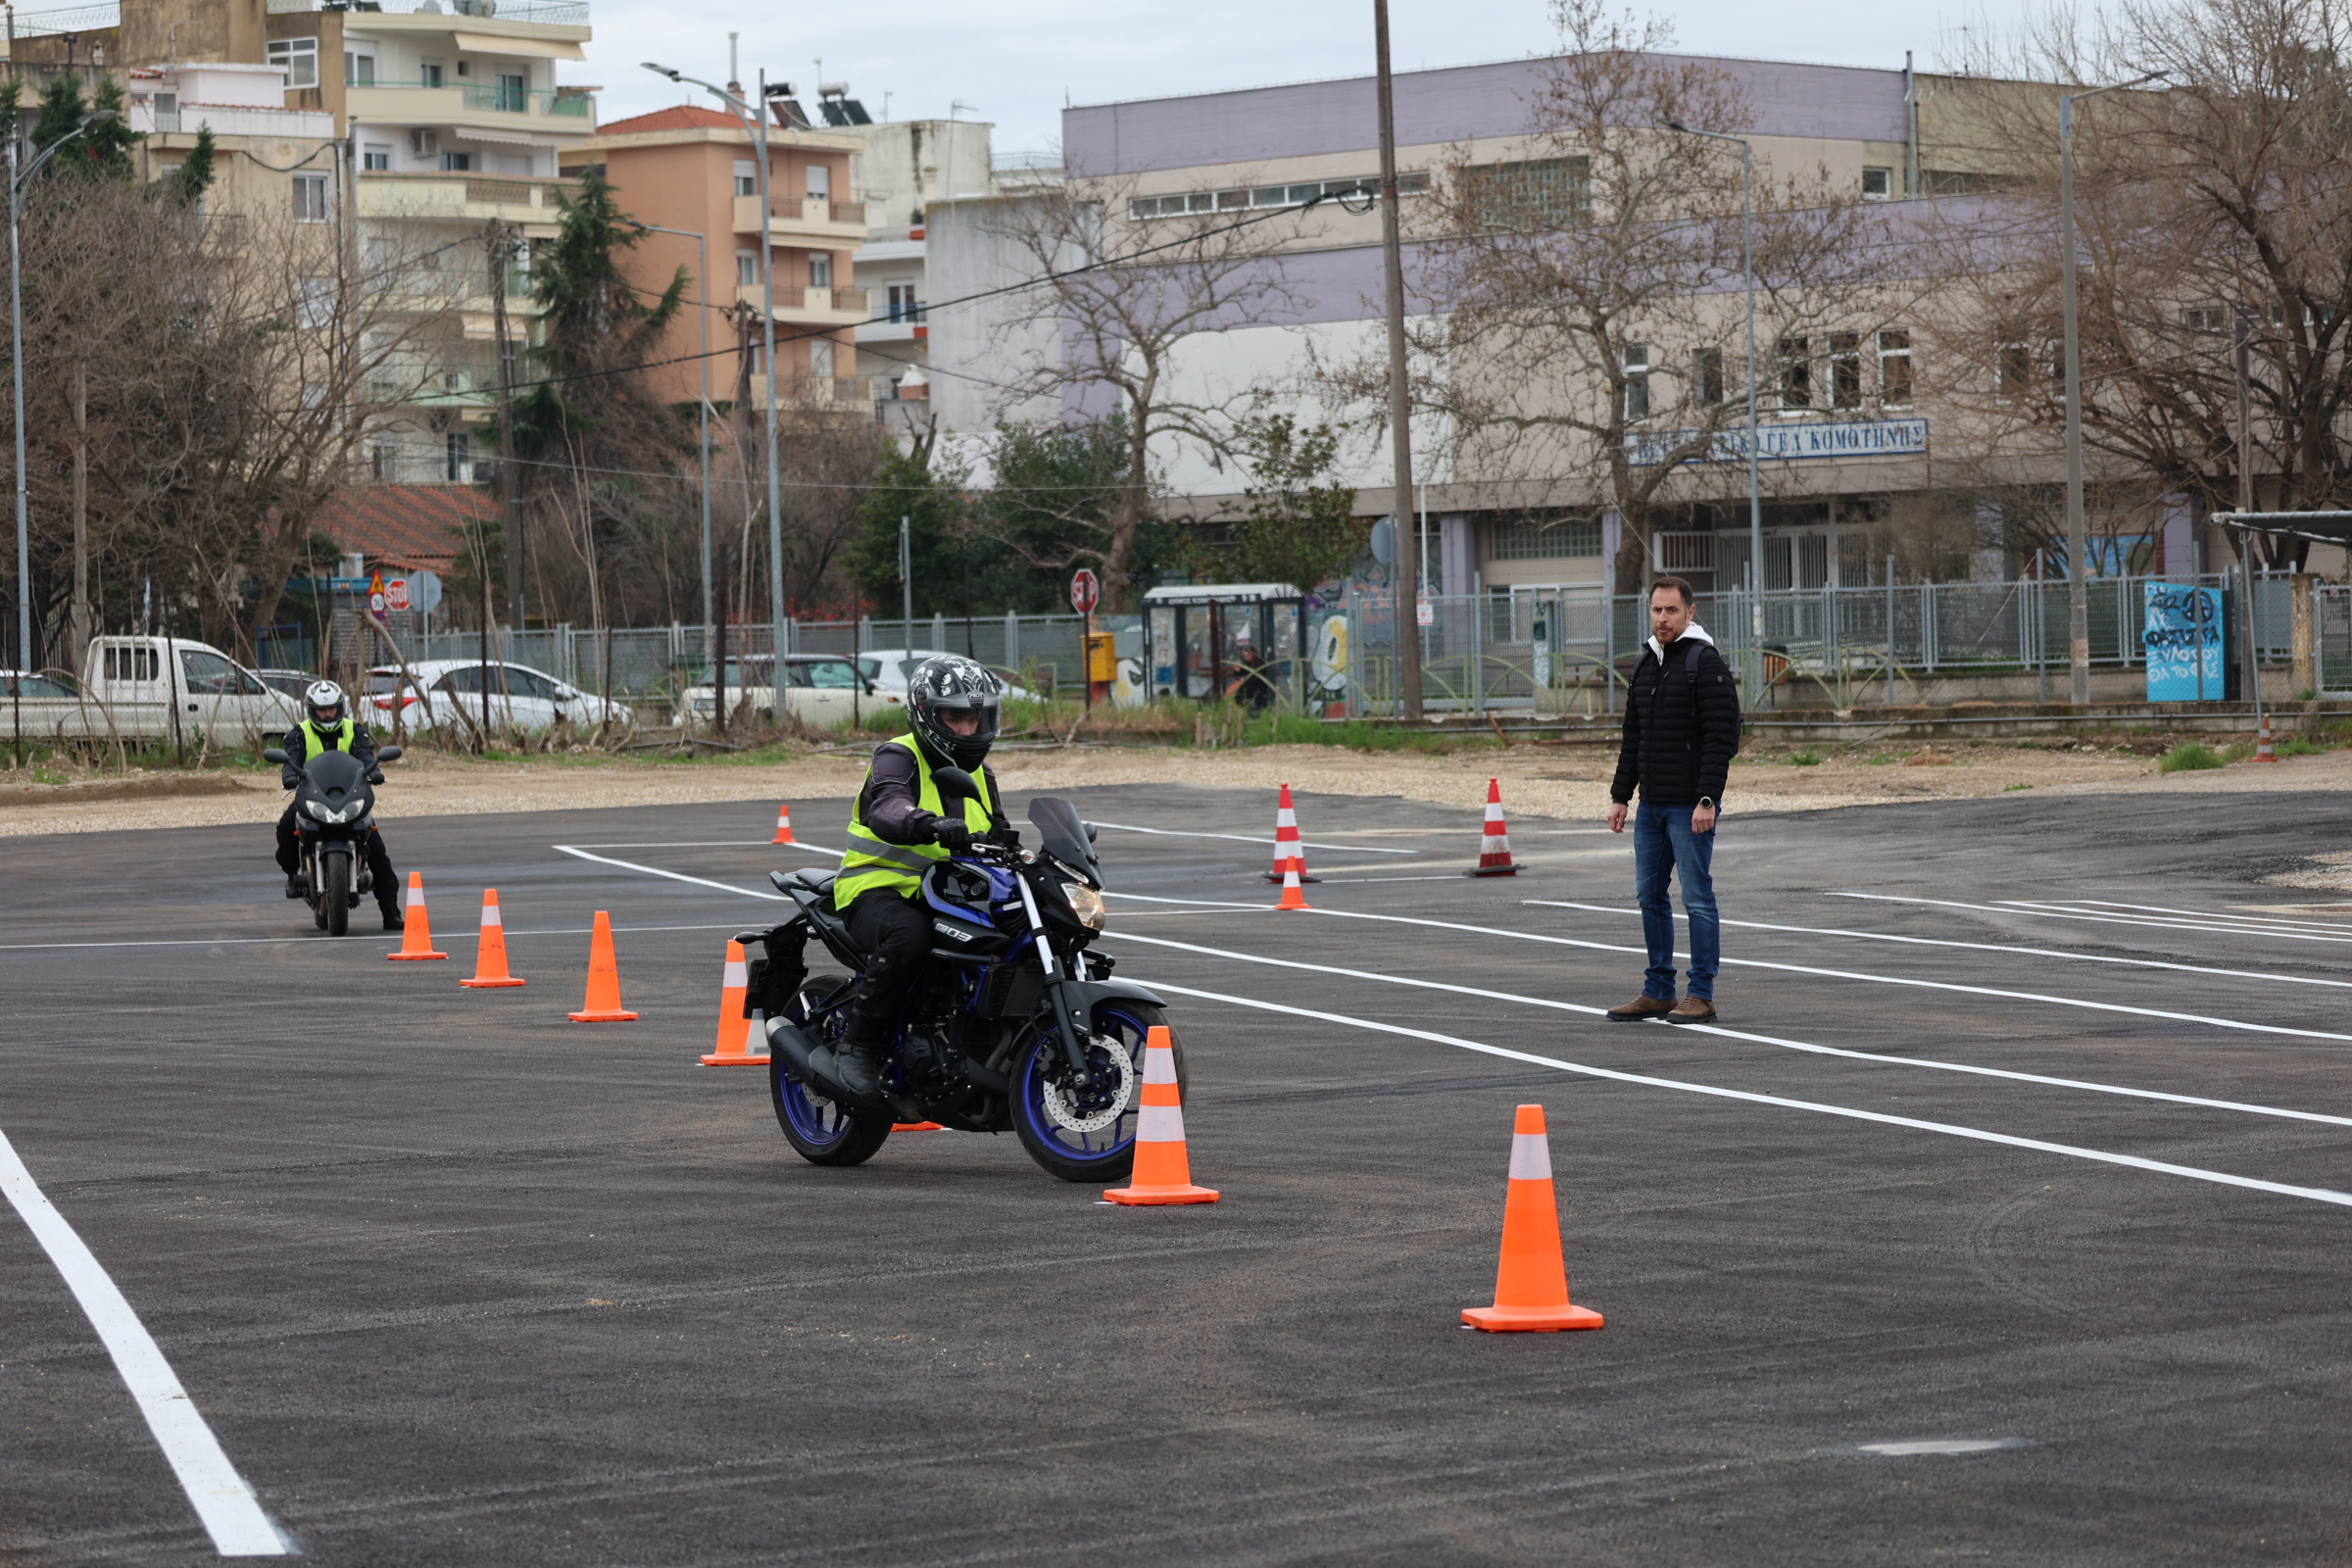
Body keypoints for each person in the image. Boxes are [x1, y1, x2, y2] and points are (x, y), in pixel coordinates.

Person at [827, 655, 1009, 1100]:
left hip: (948, 894)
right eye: (955, 717)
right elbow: (887, 805)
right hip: (877, 887)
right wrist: (924, 823)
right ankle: (858, 1045)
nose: (968, 730)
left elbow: (1000, 831)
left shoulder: (980, 774)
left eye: (975, 718)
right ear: (927, 713)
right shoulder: (897, 755)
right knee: (910, 936)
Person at [1605, 575, 1740, 1023]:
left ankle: (1700, 993)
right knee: (1649, 896)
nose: (1663, 618)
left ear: (1690, 612)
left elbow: (1722, 738)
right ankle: (1659, 990)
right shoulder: (1647, 664)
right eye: (1657, 610)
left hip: (1690, 806)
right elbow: (1633, 738)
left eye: (1672, 611)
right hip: (1652, 806)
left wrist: (1707, 799)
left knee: (1697, 897)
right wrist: (1621, 796)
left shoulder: (1705, 662)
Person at [275, 679, 405, 931]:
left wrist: (374, 770)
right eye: (322, 709)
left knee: (377, 850)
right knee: (286, 827)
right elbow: (292, 758)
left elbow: (364, 753)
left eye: (333, 708)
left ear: (340, 707)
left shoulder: (355, 729)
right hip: (314, 795)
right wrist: (289, 775)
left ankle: (390, 911)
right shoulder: (299, 733)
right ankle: (293, 876)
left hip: (348, 796)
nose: (328, 713)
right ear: (312, 710)